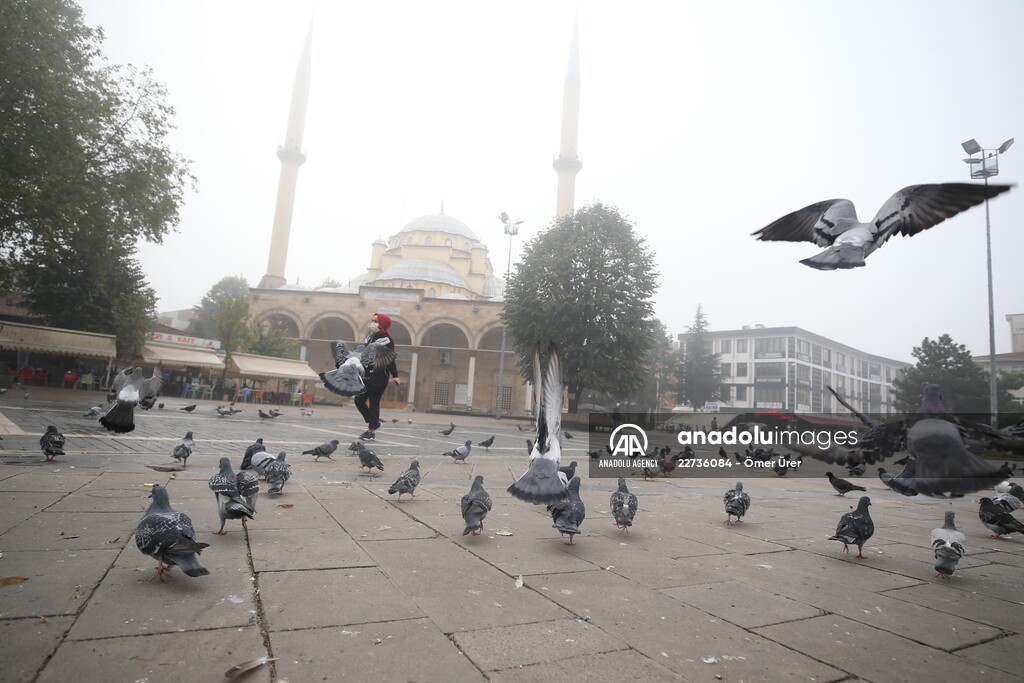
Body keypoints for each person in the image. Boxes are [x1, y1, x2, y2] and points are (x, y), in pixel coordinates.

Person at [354, 312, 400, 440]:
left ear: (383, 324)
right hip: (367, 374)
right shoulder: (371, 337)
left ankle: (370, 431)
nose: (373, 323)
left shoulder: (387, 340)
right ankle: (374, 422)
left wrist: (395, 375)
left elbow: (390, 359)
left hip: (379, 377)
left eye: (376, 321)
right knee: (358, 400)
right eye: (373, 320)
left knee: (374, 403)